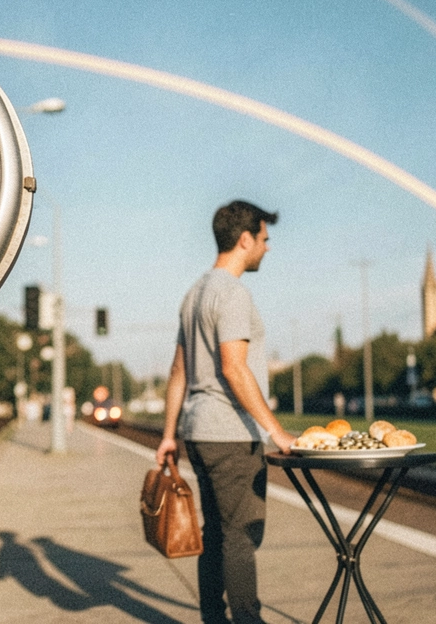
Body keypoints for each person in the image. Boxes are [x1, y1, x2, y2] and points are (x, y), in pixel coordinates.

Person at [157, 200, 296, 624]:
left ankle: (213, 619)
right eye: (265, 240)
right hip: (230, 434)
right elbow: (235, 369)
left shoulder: (194, 293)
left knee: (215, 534)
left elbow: (179, 370)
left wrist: (168, 435)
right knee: (240, 536)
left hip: (198, 432)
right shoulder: (232, 294)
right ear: (244, 239)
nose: (267, 249)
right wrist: (277, 432)